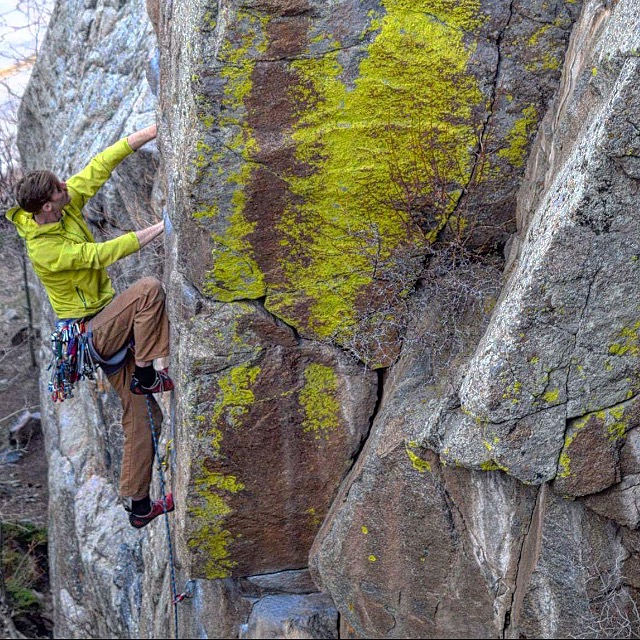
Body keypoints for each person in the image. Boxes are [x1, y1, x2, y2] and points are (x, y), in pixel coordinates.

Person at [6, 124, 175, 529]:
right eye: (59, 190)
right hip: (91, 330)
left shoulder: (60, 206)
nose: (67, 187)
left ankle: (137, 506)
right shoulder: (46, 248)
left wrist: (155, 128)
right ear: (47, 206)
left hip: (102, 324)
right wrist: (162, 228)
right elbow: (100, 254)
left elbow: (100, 164)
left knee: (143, 414)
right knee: (148, 289)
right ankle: (148, 373)